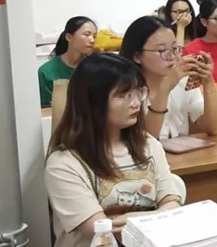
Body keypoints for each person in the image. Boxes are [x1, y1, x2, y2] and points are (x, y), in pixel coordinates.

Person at [45, 53, 182, 247]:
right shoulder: (63, 163)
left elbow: (172, 202)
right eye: (125, 95)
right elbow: (101, 231)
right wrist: (159, 217)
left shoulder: (148, 144)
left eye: (138, 92)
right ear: (93, 100)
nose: (136, 102)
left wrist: (137, 219)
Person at [119, 16, 217, 140]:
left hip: (180, 151)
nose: (172, 56)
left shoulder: (183, 80)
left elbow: (213, 128)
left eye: (174, 48)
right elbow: (147, 141)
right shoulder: (124, 90)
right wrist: (166, 87)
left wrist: (208, 81)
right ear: (137, 56)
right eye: (161, 50)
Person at [39, 16, 97, 107]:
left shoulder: (96, 68)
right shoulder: (46, 71)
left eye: (94, 36)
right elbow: (47, 108)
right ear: (69, 37)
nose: (92, 40)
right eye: (87, 34)